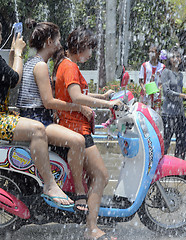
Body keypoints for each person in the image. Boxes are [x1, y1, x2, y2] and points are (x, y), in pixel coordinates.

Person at [0, 15, 73, 207]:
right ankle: (50, 184)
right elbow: (14, 79)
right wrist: (17, 52)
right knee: (38, 130)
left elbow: (7, 76)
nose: (2, 38)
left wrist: (13, 56)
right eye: (0, 34)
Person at [17, 19, 94, 213]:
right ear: (50, 41)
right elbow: (48, 102)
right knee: (77, 141)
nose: (61, 45)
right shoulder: (41, 66)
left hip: (35, 117)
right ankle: (79, 193)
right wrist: (78, 107)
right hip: (38, 119)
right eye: (58, 40)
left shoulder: (33, 62)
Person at [53, 27, 122, 240]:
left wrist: (101, 94)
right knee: (101, 175)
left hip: (76, 127)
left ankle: (90, 223)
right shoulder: (70, 67)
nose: (91, 54)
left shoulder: (66, 64)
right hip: (77, 130)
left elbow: (77, 93)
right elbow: (76, 97)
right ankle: (91, 229)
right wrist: (108, 103)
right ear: (80, 47)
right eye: (90, 49)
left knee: (97, 176)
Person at [161, 47, 186, 160]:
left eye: (178, 56)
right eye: (173, 56)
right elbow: (167, 91)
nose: (176, 59)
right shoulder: (166, 72)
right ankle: (160, 165)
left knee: (182, 140)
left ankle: (179, 164)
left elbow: (179, 93)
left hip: (179, 114)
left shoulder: (180, 75)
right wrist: (183, 95)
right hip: (168, 114)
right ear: (169, 59)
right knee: (166, 141)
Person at [138, 44, 165, 112]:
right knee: (144, 113)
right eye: (150, 52)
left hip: (156, 95)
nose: (151, 54)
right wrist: (143, 88)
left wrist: (159, 88)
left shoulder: (162, 67)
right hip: (145, 95)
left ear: (158, 53)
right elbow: (140, 80)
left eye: (153, 52)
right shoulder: (144, 65)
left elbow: (164, 80)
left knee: (156, 114)